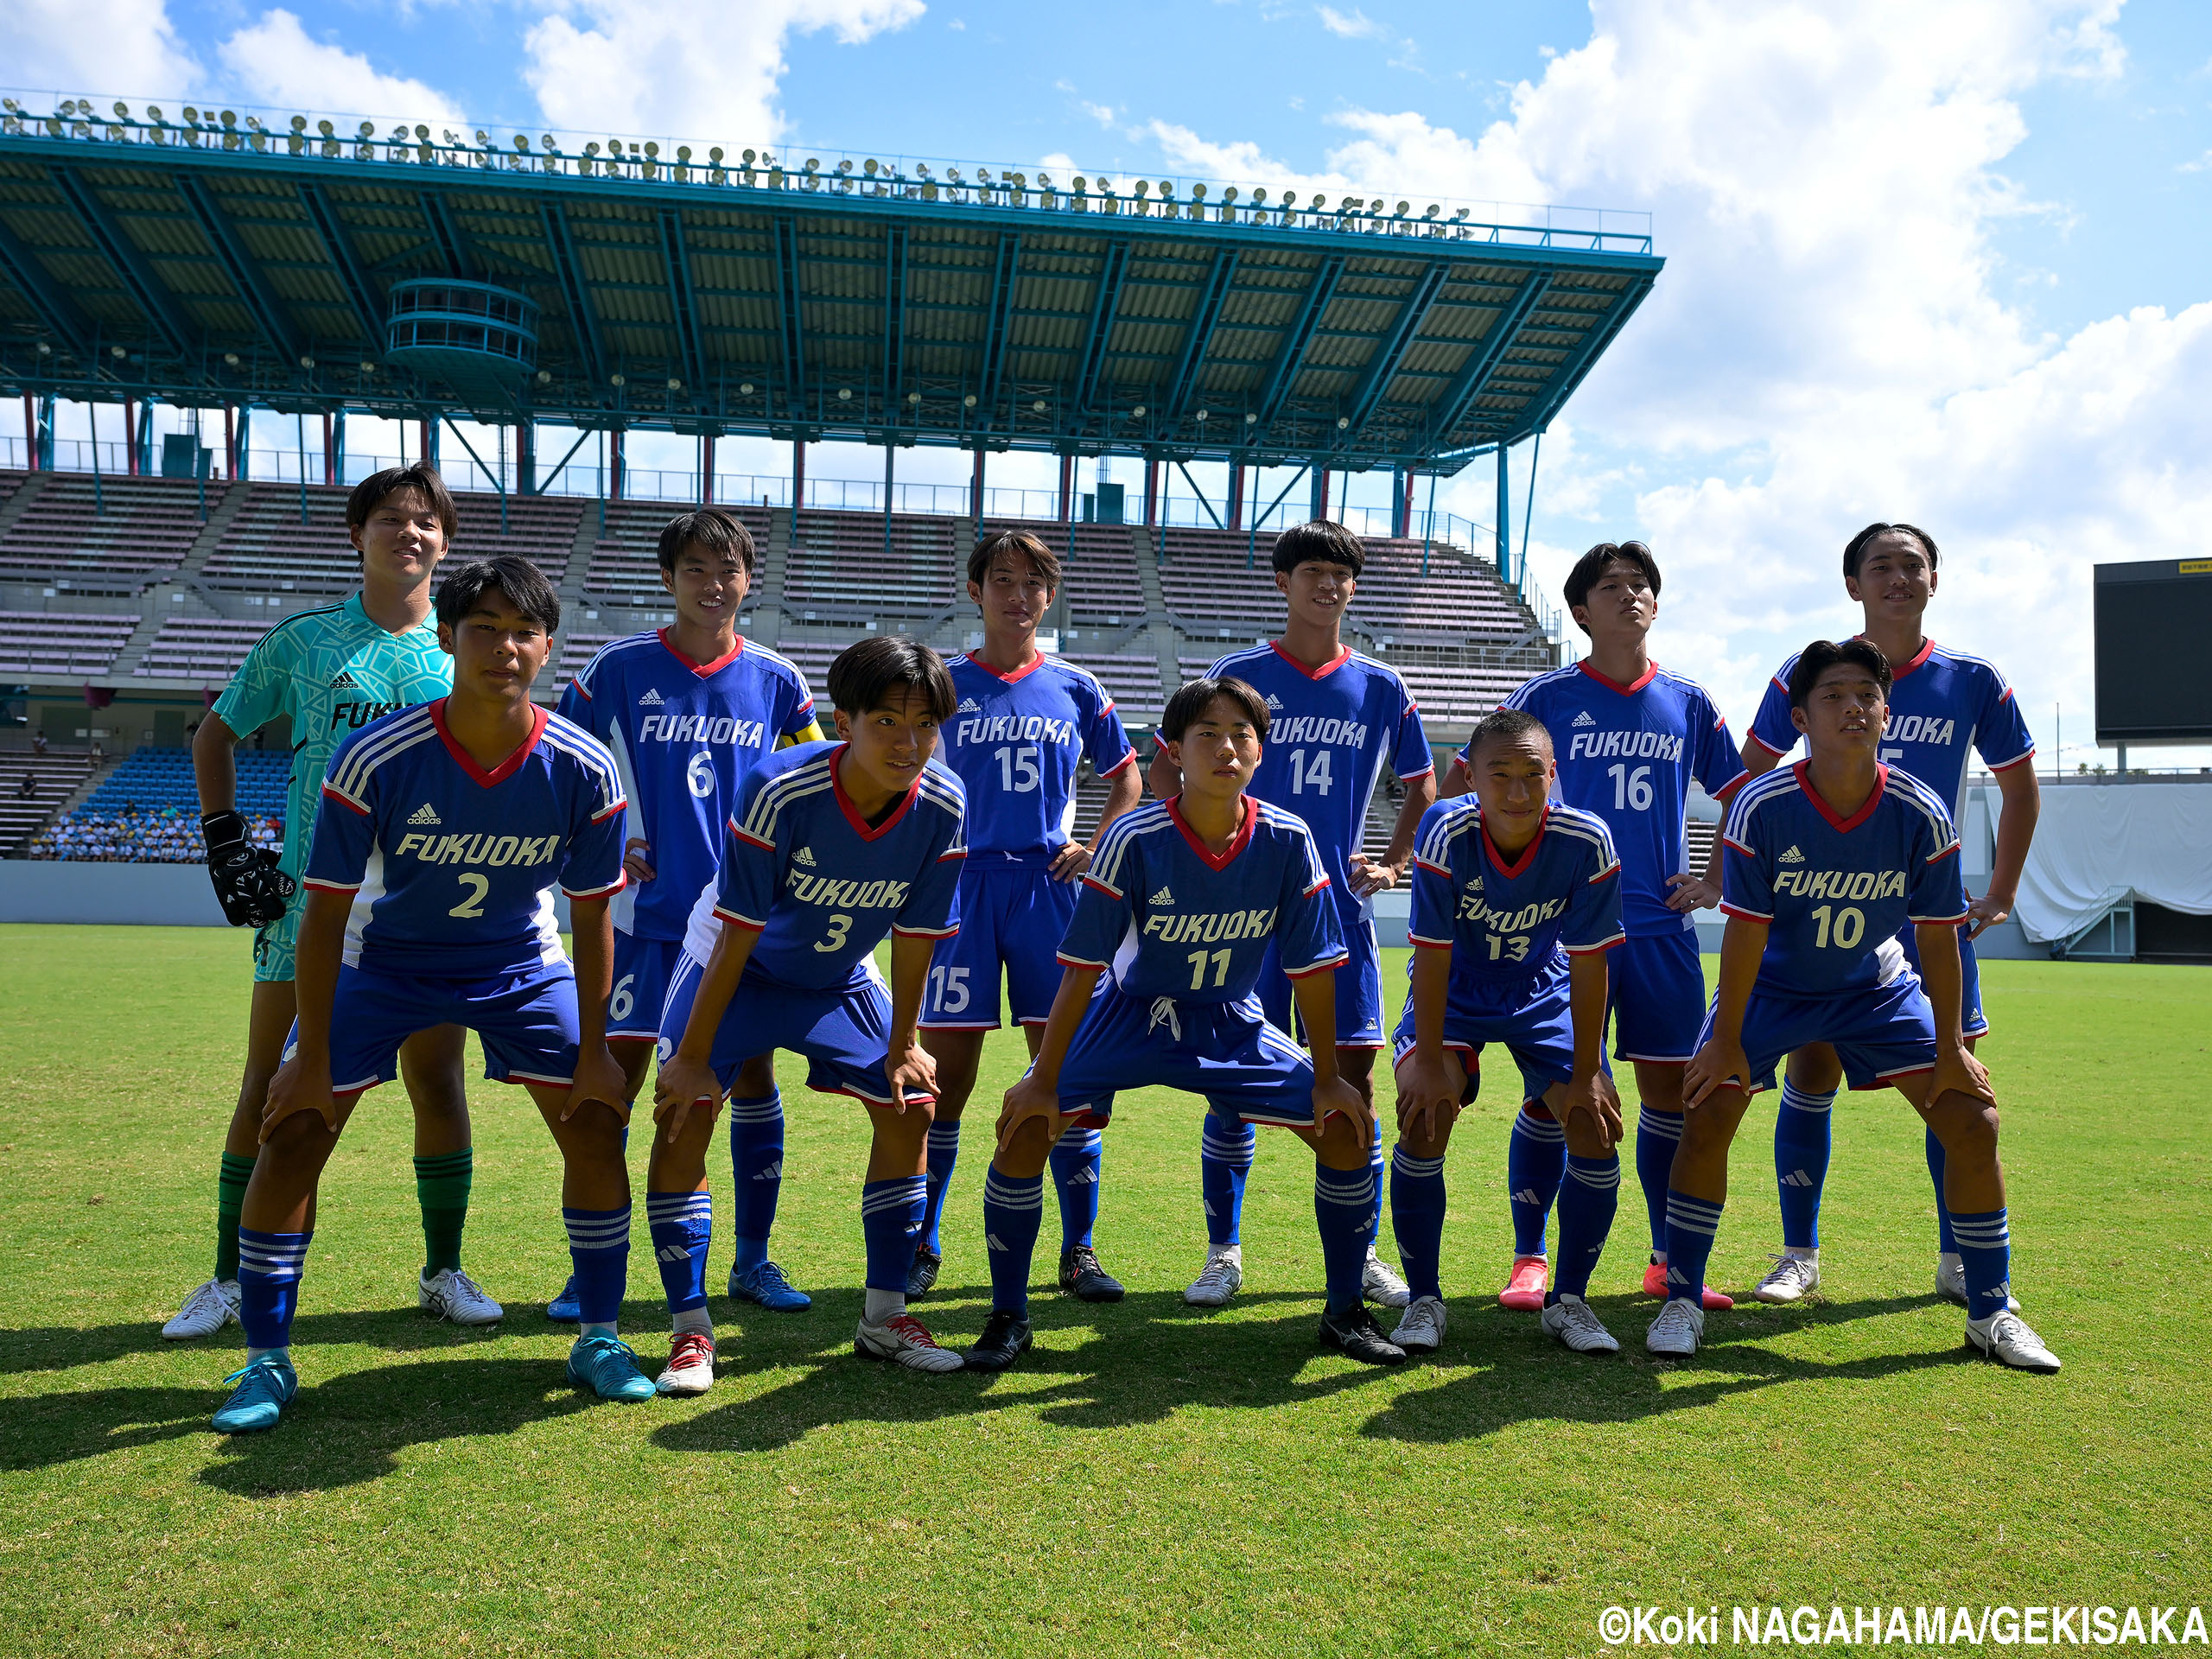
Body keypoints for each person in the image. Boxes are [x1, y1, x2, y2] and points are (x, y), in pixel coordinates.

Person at [210, 556, 640, 1433]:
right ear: (447, 640)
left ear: (547, 646)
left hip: (519, 964)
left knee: (597, 1115)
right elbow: (326, 917)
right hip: (388, 961)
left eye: (523, 631)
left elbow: (593, 923)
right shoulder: (378, 756)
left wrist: (597, 1050)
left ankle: (599, 1336)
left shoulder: (585, 767)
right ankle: (264, 1360)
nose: (504, 648)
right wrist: (315, 1056)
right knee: (294, 1125)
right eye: (483, 628)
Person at [970, 675, 1400, 1371]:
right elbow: (1083, 965)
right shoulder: (1136, 837)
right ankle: (1008, 1318)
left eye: (1242, 735)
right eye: (1207, 735)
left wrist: (1329, 1079)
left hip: (1231, 1022)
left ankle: (1346, 1310)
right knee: (1023, 1127)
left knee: (1351, 1128)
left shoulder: (1289, 841)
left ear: (1262, 751)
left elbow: (1314, 969)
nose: (1226, 748)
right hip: (1131, 1017)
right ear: (1172, 750)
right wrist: (1043, 1078)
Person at [1658, 638, 2057, 1370]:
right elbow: (1745, 936)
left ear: (1886, 711)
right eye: (1833, 696)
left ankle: (1991, 1310)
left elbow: (1938, 941)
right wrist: (1725, 1042)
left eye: (1866, 696)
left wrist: (1949, 1052)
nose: (1853, 708)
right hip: (1774, 987)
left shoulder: (1920, 808)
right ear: (1801, 718)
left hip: (1875, 986)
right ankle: (1683, 1297)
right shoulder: (1762, 804)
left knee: (1973, 1119)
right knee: (1710, 1105)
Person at [165, 464, 493, 1344]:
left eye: (425, 522)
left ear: (445, 542)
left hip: (420, 911)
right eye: (390, 519)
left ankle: (442, 1270)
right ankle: (230, 1279)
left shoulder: (464, 647)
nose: (409, 534)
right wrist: (226, 841)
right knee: (267, 1086)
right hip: (309, 904)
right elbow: (215, 734)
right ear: (358, 534)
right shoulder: (306, 642)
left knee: (437, 1081)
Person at [1736, 524, 2039, 1307]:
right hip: (1822, 912)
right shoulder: (1811, 673)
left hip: (1929, 916)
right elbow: (1753, 773)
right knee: (1812, 1069)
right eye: (1882, 567)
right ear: (1854, 585)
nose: (1898, 578)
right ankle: (1798, 1253)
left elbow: (2019, 785)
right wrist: (1725, 877)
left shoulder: (1973, 679)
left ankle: (1959, 1258)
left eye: (1913, 565)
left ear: (1935, 578)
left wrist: (2000, 891)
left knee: (1955, 1081)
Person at [1439, 542, 1745, 1314]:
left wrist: (1713, 879)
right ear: (1580, 610)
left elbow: (1744, 796)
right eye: (1612, 587)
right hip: (1562, 934)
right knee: (1556, 1095)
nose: (1631, 596)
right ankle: (1530, 1256)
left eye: (1643, 586)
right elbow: (1464, 781)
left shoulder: (1688, 700)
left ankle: (1668, 1257)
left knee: (1667, 1095)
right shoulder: (1544, 695)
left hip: (1658, 930)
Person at [652, 637, 969, 1379]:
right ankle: (690, 1330)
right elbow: (736, 934)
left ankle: (885, 1316)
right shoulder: (780, 788)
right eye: (888, 722)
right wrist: (692, 1059)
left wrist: (905, 1044)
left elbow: (916, 935)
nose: (909, 742)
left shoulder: (943, 803)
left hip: (837, 975)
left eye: (926, 725)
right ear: (844, 719)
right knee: (684, 1111)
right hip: (738, 965)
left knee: (912, 1103)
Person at [550, 508, 822, 1354]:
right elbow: (557, 763)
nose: (714, 584)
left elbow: (822, 779)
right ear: (669, 578)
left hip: (743, 927)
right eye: (696, 568)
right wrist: (601, 835)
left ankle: (753, 1260)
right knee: (613, 1090)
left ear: (749, 579)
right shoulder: (617, 669)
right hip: (642, 924)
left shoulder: (778, 679)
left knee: (749, 1080)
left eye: (729, 569)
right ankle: (593, 1268)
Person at [1147, 520, 1435, 1312]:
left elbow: (1422, 782)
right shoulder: (1238, 674)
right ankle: (1223, 1250)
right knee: (1230, 1081)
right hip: (1240, 909)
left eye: (1341, 574)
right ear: (1283, 582)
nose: (1328, 586)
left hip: (1334, 906)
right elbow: (1175, 763)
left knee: (1353, 1079)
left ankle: (1363, 1252)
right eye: (1312, 571)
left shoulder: (1380, 685)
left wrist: (1392, 860)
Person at [912, 530, 1142, 1304]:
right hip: (961, 887)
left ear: (1050, 596)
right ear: (975, 591)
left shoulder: (1077, 686)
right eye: (1002, 580)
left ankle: (1078, 1250)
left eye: (1033, 583)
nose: (1018, 595)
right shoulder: (940, 683)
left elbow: (1129, 777)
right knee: (947, 1079)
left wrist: (1097, 845)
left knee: (1065, 1072)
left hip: (1050, 889)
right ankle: (924, 1238)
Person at [1392, 708, 1627, 1355]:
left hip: (1541, 986)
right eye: (1501, 775)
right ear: (1470, 776)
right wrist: (1434, 1060)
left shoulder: (1587, 839)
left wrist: (1586, 1072)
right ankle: (1423, 1302)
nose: (1518, 792)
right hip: (1457, 987)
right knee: (1425, 1110)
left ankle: (1569, 1301)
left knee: (1593, 1122)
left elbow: (1589, 962)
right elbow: (1433, 955)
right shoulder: (1445, 830)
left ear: (1555, 774)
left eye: (1533, 774)